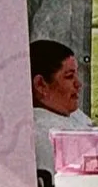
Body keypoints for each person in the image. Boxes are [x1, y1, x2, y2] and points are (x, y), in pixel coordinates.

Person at [31, 38, 91, 171]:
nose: (78, 84)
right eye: (69, 77)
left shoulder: (71, 114)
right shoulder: (43, 136)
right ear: (41, 85)